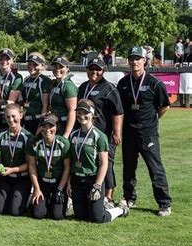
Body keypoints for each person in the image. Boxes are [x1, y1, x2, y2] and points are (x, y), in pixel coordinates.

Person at [117, 46, 172, 216]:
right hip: (129, 132)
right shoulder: (123, 83)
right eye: (132, 58)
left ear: (144, 61)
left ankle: (164, 203)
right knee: (128, 168)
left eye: (137, 59)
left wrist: (151, 121)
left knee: (155, 168)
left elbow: (164, 107)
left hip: (147, 133)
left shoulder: (155, 83)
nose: (134, 62)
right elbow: (120, 108)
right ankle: (129, 198)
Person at [69, 99, 129, 223]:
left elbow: (104, 163)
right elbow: (70, 161)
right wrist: (69, 182)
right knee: (80, 216)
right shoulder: (73, 135)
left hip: (92, 180)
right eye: (79, 112)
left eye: (85, 112)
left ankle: (120, 209)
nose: (81, 116)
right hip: (77, 180)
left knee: (97, 218)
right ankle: (104, 204)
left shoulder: (99, 136)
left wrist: (97, 186)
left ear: (92, 114)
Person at [77, 58, 123, 207]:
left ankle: (108, 196)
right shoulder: (83, 87)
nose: (94, 72)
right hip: (86, 133)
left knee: (107, 164)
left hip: (104, 134)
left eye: (98, 69)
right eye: (91, 69)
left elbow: (118, 112)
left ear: (104, 71)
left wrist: (116, 133)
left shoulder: (109, 88)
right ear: (87, 70)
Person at [26, 114, 70, 220]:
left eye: (51, 126)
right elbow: (31, 166)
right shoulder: (34, 142)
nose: (47, 129)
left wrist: (60, 189)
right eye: (44, 126)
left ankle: (65, 203)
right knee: (37, 214)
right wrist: (36, 189)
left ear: (56, 127)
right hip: (42, 183)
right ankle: (34, 199)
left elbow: (67, 168)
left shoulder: (63, 143)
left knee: (57, 216)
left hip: (58, 183)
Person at [0, 103, 32, 216]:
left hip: (21, 178)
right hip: (5, 177)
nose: (11, 119)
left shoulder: (28, 137)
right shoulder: (0, 134)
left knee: (14, 212)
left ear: (21, 115)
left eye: (13, 116)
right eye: (8, 117)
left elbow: (30, 164)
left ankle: (26, 199)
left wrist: (12, 170)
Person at [0, 49, 23, 130]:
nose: (4, 61)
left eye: (7, 59)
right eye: (1, 59)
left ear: (12, 60)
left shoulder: (17, 77)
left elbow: (11, 101)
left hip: (9, 114)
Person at [48, 56, 78, 138]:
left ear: (67, 68)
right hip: (54, 122)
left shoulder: (68, 86)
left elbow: (72, 110)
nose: (57, 69)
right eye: (55, 66)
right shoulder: (55, 83)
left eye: (61, 67)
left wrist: (67, 133)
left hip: (64, 124)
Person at [21, 52, 50, 134]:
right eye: (29, 64)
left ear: (42, 66)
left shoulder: (44, 81)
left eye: (35, 65)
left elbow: (45, 106)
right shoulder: (26, 79)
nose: (32, 67)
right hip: (26, 118)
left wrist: (41, 125)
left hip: (37, 120)